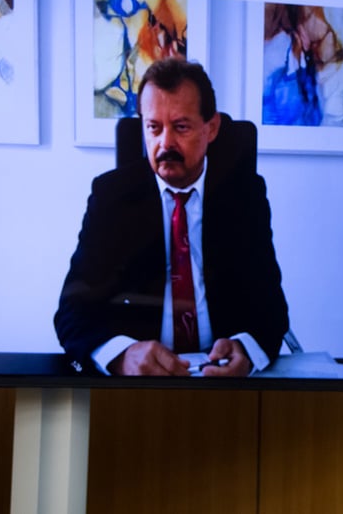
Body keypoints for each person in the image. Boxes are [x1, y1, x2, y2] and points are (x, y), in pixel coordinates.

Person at [55, 58, 290, 377]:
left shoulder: (244, 194)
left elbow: (271, 308)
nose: (165, 143)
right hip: (142, 386)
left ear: (211, 128)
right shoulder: (112, 196)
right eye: (153, 127)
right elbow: (73, 312)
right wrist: (121, 355)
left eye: (181, 127)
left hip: (221, 381)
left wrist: (246, 349)